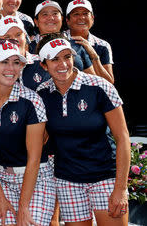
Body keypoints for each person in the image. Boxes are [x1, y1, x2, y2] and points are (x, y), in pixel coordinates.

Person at [36, 33, 130, 226]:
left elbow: (123, 137)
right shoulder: (41, 93)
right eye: (54, 59)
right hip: (67, 180)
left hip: (105, 178)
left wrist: (121, 188)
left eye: (67, 57)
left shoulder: (100, 86)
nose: (63, 64)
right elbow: (40, 140)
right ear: (44, 65)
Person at [0, 39, 55, 226]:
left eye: (16, 62)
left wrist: (24, 207)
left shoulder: (32, 101)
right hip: (2, 179)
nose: (11, 68)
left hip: (36, 179)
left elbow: (34, 158)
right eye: (4, 62)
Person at [29, 0, 96, 75]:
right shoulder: (28, 48)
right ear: (36, 21)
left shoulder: (77, 44)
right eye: (45, 14)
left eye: (55, 14)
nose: (51, 18)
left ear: (62, 18)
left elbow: (92, 79)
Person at [65, 0, 114, 84]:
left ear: (92, 18)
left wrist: (93, 54)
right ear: (67, 20)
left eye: (85, 13)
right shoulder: (59, 40)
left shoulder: (103, 45)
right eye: (76, 14)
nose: (81, 17)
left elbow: (109, 83)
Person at [0, 15, 50, 91]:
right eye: (7, 37)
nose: (14, 40)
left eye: (18, 35)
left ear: (25, 36)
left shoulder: (43, 62)